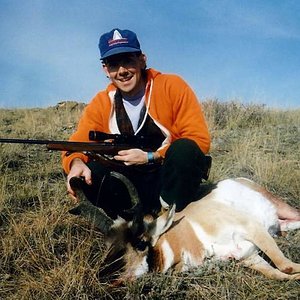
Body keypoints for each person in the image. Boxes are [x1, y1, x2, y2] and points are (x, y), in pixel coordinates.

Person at [62, 28, 211, 219]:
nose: (122, 71)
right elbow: (76, 144)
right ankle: (127, 220)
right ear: (106, 70)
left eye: (128, 61)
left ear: (142, 60)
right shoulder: (101, 102)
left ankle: (170, 214)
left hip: (166, 176)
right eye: (114, 64)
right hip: (126, 180)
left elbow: (198, 139)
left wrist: (151, 156)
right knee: (88, 173)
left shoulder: (172, 86)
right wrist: (75, 162)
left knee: (186, 150)